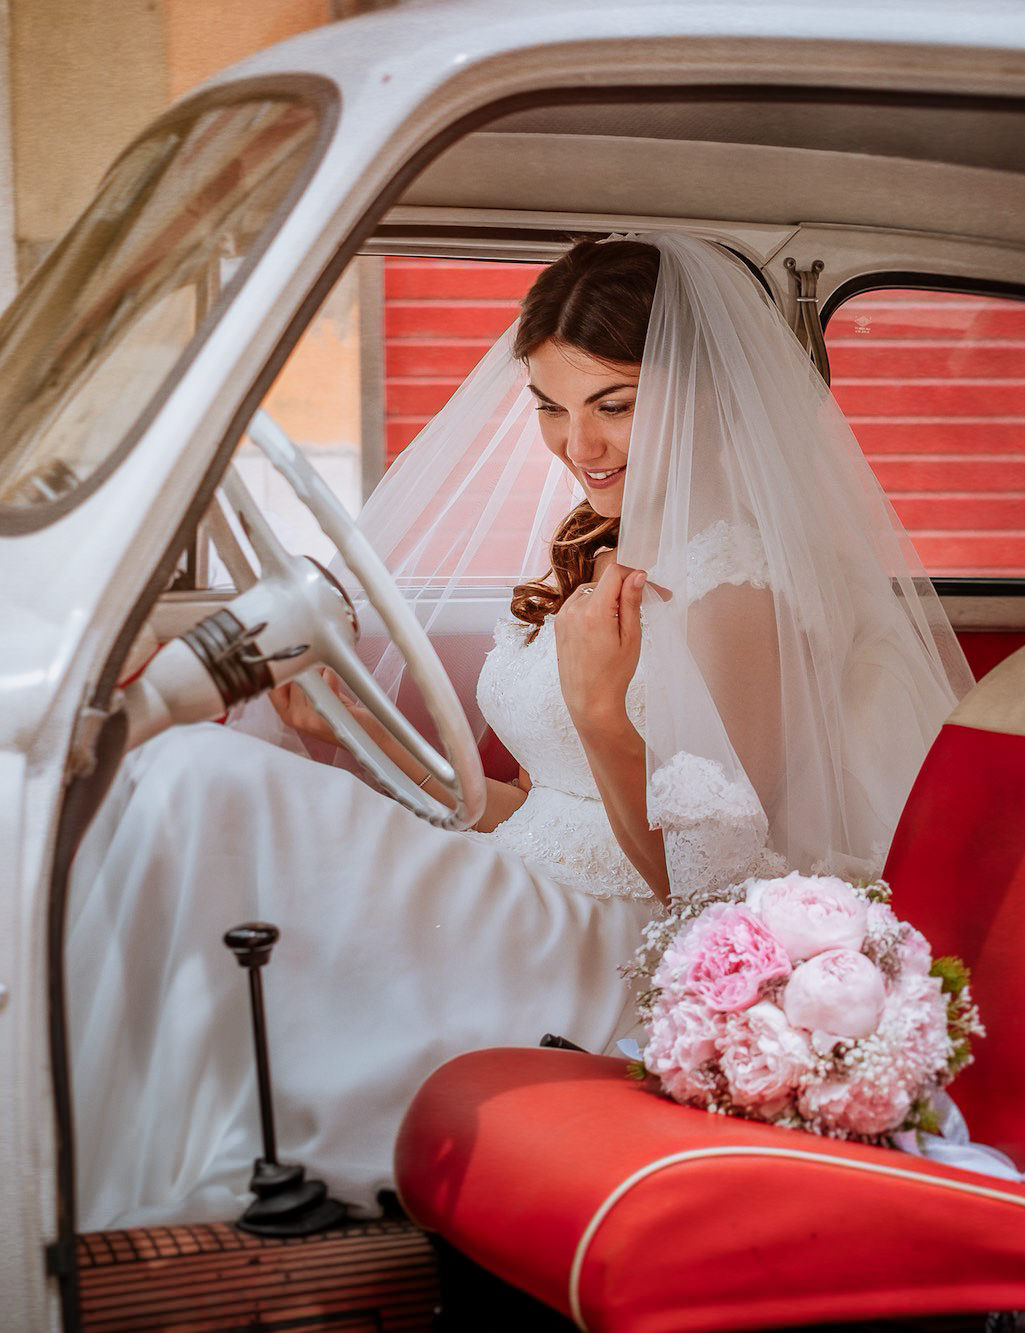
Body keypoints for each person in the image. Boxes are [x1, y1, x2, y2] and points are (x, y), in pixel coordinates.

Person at [63, 233, 972, 1231]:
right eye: (550, 407)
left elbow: (714, 893)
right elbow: (551, 807)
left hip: (611, 950)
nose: (577, 447)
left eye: (614, 405)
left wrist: (601, 717)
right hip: (527, 878)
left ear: (703, 399)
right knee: (209, 777)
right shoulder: (611, 545)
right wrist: (354, 736)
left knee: (201, 784)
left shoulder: (734, 585)